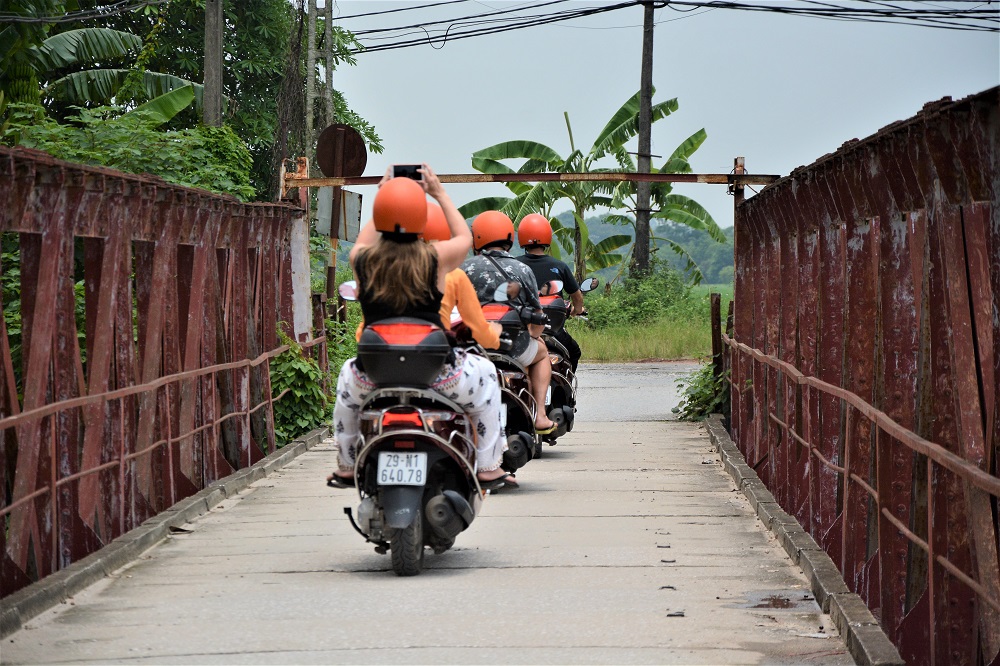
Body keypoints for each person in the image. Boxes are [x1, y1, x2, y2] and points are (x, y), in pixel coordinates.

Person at [327, 165, 517, 490]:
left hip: (373, 374)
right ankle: (486, 467)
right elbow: (464, 238)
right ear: (421, 219)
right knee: (487, 377)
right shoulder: (435, 258)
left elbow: (364, 240)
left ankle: (347, 466)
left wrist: (385, 193)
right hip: (436, 372)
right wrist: (438, 192)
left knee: (346, 398)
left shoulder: (362, 260)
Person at [461, 210, 557, 434]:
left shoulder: (465, 269)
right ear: (509, 238)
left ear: (478, 238)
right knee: (542, 353)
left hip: (474, 348)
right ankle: (540, 415)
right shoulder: (523, 269)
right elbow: (537, 314)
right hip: (516, 348)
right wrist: (534, 335)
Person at [423, 202, 504, 351]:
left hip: (379, 358)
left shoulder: (377, 271)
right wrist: (494, 337)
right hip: (434, 359)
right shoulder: (453, 276)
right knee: (487, 369)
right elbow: (479, 330)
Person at [514, 213, 584, 372]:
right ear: (547, 236)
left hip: (524, 329)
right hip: (553, 329)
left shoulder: (514, 265)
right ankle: (568, 390)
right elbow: (577, 296)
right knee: (574, 351)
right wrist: (577, 310)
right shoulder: (559, 266)